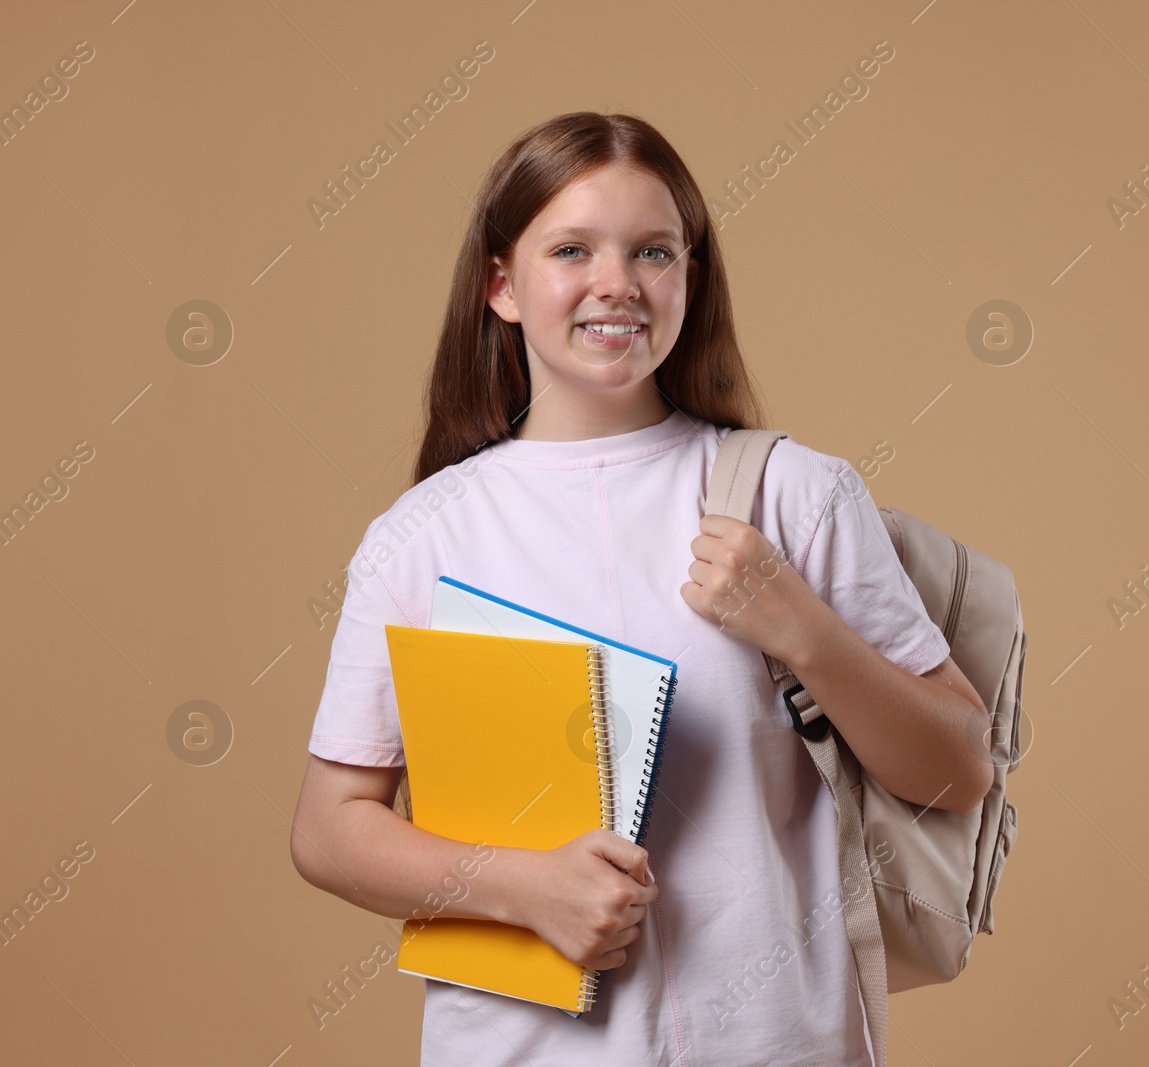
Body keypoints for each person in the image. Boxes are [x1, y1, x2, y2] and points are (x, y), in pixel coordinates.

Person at [289, 110, 991, 1066]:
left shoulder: (792, 495)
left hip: (781, 1044)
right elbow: (329, 831)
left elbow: (958, 767)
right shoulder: (423, 538)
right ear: (502, 285)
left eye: (653, 251)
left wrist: (804, 631)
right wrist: (521, 886)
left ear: (689, 281)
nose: (615, 283)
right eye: (572, 248)